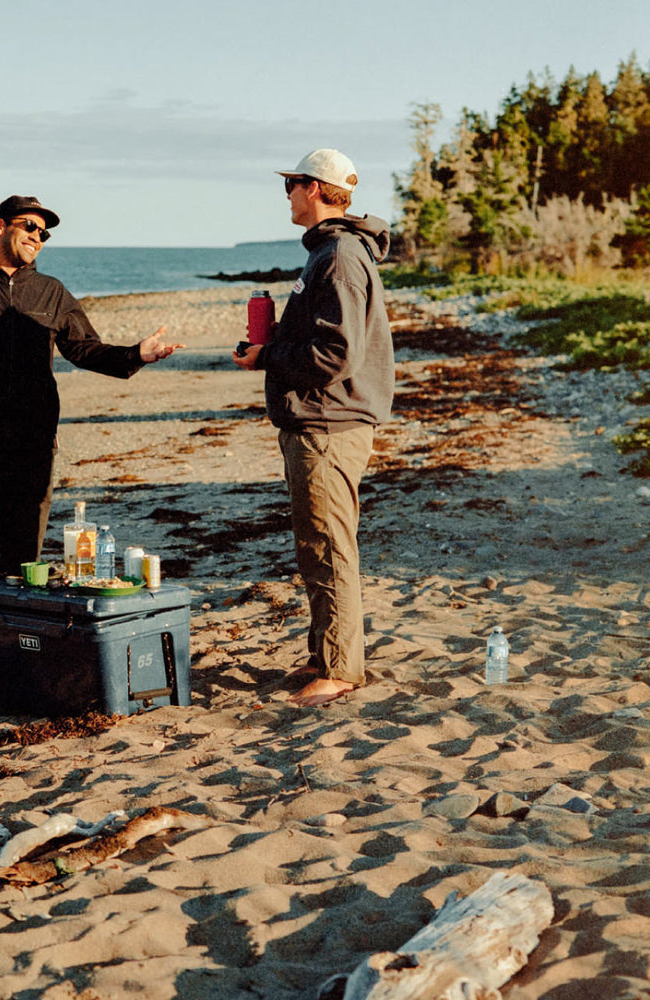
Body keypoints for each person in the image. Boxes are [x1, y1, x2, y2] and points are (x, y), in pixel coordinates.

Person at [0, 195, 183, 695]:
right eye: (30, 226)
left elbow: (85, 349)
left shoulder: (52, 292)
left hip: (33, 446)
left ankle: (7, 658)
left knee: (21, 558)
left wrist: (136, 356)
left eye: (45, 233)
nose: (38, 237)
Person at [233, 149, 394, 708]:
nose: (288, 195)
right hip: (325, 419)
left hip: (327, 422)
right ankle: (324, 652)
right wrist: (274, 344)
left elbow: (335, 353)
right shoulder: (332, 253)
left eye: (292, 185)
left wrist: (268, 357)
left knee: (327, 545)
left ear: (319, 189)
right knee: (317, 542)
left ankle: (340, 668)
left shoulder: (339, 256)